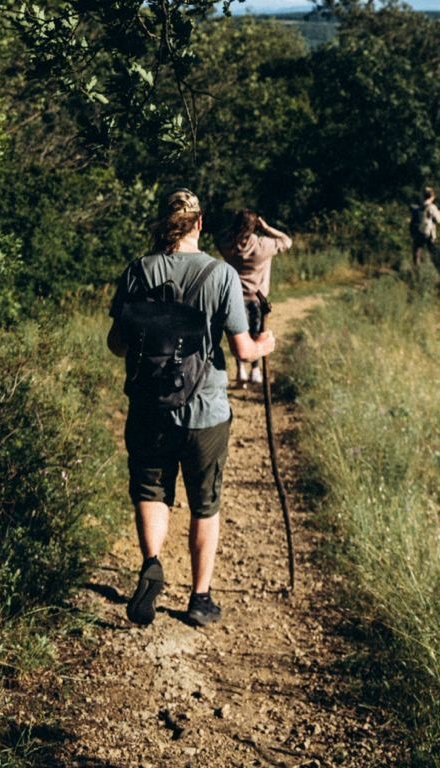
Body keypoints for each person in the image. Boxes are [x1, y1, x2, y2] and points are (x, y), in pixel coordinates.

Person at [107, 188, 276, 628]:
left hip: (148, 405)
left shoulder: (137, 272)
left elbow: (117, 343)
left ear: (163, 223)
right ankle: (200, 598)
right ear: (199, 224)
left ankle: (152, 563)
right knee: (205, 503)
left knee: (151, 490)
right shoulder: (220, 275)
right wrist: (265, 344)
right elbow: (242, 350)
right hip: (204, 409)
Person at [217, 210, 292, 389]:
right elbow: (287, 241)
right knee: (257, 334)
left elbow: (218, 237)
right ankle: (255, 370)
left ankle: (240, 369)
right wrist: (265, 227)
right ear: (254, 227)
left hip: (235, 297)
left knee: (239, 334)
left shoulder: (229, 245)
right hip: (258, 298)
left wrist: (234, 227)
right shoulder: (262, 245)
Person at [409, 185, 440, 266]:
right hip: (429, 233)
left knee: (417, 252)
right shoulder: (432, 207)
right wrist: (439, 213)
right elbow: (439, 220)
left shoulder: (419, 206)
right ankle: (437, 267)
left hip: (419, 231)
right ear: (432, 196)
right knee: (432, 252)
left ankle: (416, 269)